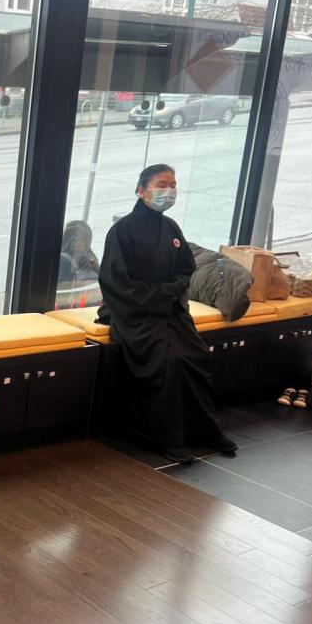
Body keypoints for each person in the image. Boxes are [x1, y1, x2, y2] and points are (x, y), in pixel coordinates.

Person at [96, 164, 237, 464]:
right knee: (169, 361)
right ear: (141, 190)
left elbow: (186, 269)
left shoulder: (171, 228)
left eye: (173, 185)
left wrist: (169, 292)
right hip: (134, 313)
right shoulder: (122, 231)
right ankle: (169, 438)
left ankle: (206, 431)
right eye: (161, 184)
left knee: (198, 356)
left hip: (170, 309)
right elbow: (114, 281)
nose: (169, 191)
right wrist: (157, 297)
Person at [57, 220, 102, 309]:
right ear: (69, 240)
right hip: (72, 306)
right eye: (77, 240)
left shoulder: (90, 257)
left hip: (92, 304)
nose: (80, 244)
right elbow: (60, 289)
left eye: (84, 240)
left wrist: (95, 267)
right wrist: (81, 284)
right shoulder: (63, 260)